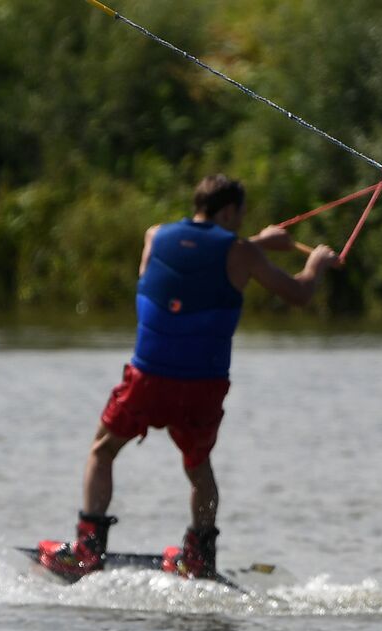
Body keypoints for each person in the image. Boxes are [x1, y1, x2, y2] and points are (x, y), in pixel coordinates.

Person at [37, 174, 339, 582]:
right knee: (199, 469)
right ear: (230, 211)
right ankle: (198, 556)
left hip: (149, 378)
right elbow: (299, 293)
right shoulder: (241, 254)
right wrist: (315, 265)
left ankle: (87, 551)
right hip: (203, 385)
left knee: (103, 450)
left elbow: (195, 260)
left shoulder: (155, 235)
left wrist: (255, 243)